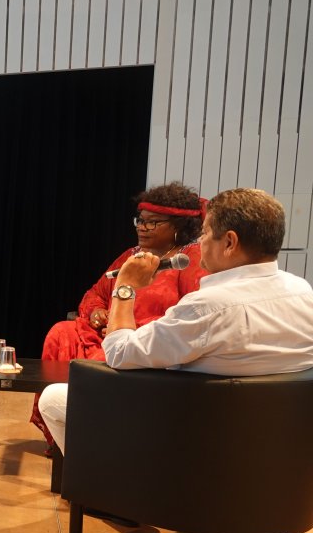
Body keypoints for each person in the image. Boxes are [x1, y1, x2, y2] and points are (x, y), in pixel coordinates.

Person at [39, 187, 313, 457]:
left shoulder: (208, 306)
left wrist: (125, 287)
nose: (200, 241)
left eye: (205, 233)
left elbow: (119, 353)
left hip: (189, 431)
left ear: (229, 243)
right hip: (271, 441)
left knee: (55, 399)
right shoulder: (303, 292)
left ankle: (111, 493)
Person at [31, 182, 208, 451]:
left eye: (153, 223)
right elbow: (96, 292)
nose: (142, 227)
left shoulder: (189, 261)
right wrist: (98, 313)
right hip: (107, 334)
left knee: (96, 361)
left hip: (147, 345)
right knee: (61, 332)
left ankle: (95, 435)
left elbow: (186, 315)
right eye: (140, 221)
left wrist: (128, 328)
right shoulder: (131, 256)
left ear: (179, 226)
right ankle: (62, 432)